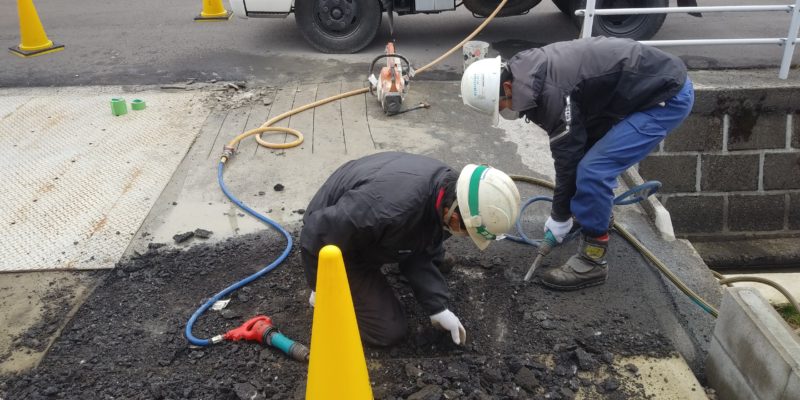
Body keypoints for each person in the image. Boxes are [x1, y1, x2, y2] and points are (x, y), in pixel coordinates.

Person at [461, 36, 694, 291]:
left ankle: (592, 260)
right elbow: (573, 143)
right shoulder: (527, 73)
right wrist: (565, 212)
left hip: (664, 98)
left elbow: (568, 160)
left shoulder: (551, 93)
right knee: (588, 156)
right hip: (624, 93)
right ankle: (595, 215)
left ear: (507, 87)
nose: (505, 110)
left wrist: (559, 216)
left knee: (594, 170)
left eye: (502, 104)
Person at [300, 151, 520, 346]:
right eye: (467, 231)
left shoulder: (449, 189)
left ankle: (397, 255)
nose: (465, 236)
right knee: (388, 331)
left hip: (367, 201)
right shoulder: (388, 213)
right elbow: (315, 232)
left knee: (430, 253)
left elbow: (420, 242)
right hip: (336, 235)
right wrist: (320, 286)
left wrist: (438, 308)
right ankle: (362, 270)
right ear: (454, 215)